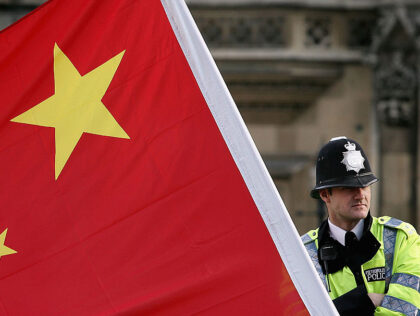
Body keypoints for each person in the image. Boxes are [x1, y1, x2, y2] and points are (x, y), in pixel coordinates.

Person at [301, 136, 420, 315]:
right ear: (325, 195)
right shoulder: (303, 254)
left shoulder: (401, 238)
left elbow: (405, 309)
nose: (360, 195)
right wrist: (371, 299)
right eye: (349, 188)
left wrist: (342, 306)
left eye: (365, 186)